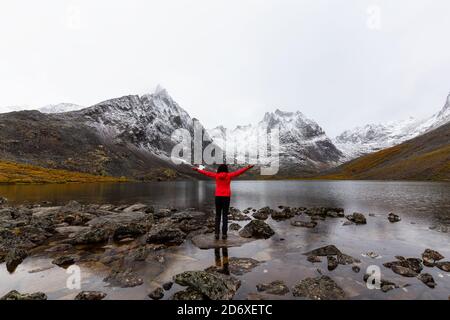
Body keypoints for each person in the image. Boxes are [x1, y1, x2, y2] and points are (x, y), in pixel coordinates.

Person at [192, 164, 254, 240]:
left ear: (219, 169)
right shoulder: (229, 175)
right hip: (226, 197)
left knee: (217, 216)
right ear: (226, 169)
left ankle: (216, 234)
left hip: (218, 197)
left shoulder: (216, 175)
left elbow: (206, 173)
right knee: (225, 216)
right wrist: (248, 167)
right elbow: (239, 172)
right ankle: (224, 234)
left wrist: (197, 170)